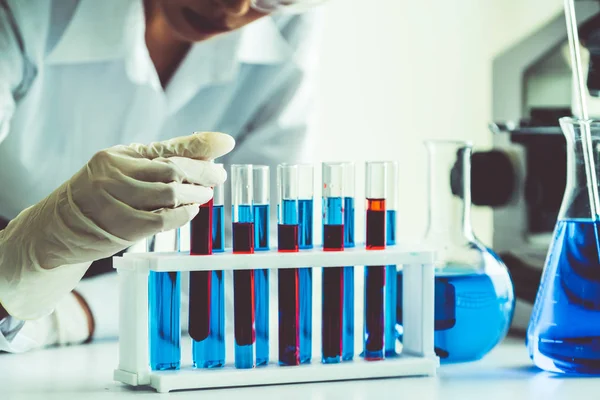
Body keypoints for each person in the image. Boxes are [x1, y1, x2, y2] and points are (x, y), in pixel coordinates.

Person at [0, 0, 323, 352]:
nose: (233, 9)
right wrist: (21, 254)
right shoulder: (29, 10)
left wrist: (69, 316)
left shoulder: (291, 30)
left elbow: (253, 275)